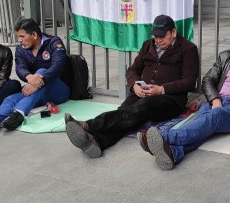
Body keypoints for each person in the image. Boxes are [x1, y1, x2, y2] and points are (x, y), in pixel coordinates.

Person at [139, 22, 230, 170]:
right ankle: (174, 152)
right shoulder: (226, 56)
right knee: (205, 125)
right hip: (218, 100)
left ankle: (166, 137)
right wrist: (215, 99)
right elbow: (208, 80)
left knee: (213, 117)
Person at [64, 15, 199, 158]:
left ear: (173, 32)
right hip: (142, 92)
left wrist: (161, 89)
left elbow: (189, 81)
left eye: (162, 36)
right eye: (156, 36)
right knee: (126, 113)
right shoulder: (148, 45)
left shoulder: (188, 49)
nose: (158, 40)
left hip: (169, 98)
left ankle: (89, 126)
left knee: (139, 109)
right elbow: (133, 70)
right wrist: (134, 84)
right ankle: (98, 141)